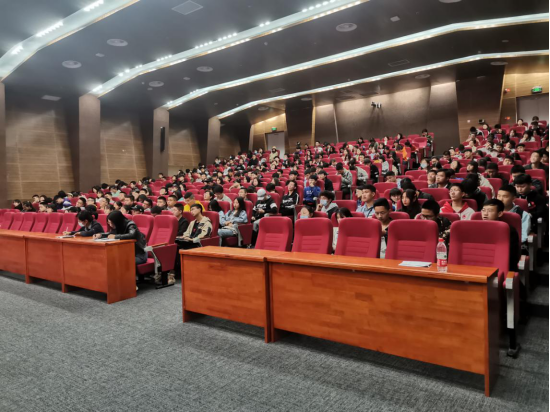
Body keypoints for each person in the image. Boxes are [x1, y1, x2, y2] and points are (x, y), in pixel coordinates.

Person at [481, 199, 520, 272]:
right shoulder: (476, 228)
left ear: (499, 214)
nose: (485, 214)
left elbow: (511, 255)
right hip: (479, 265)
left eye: (490, 211)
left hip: (501, 268)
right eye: (483, 210)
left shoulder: (508, 230)